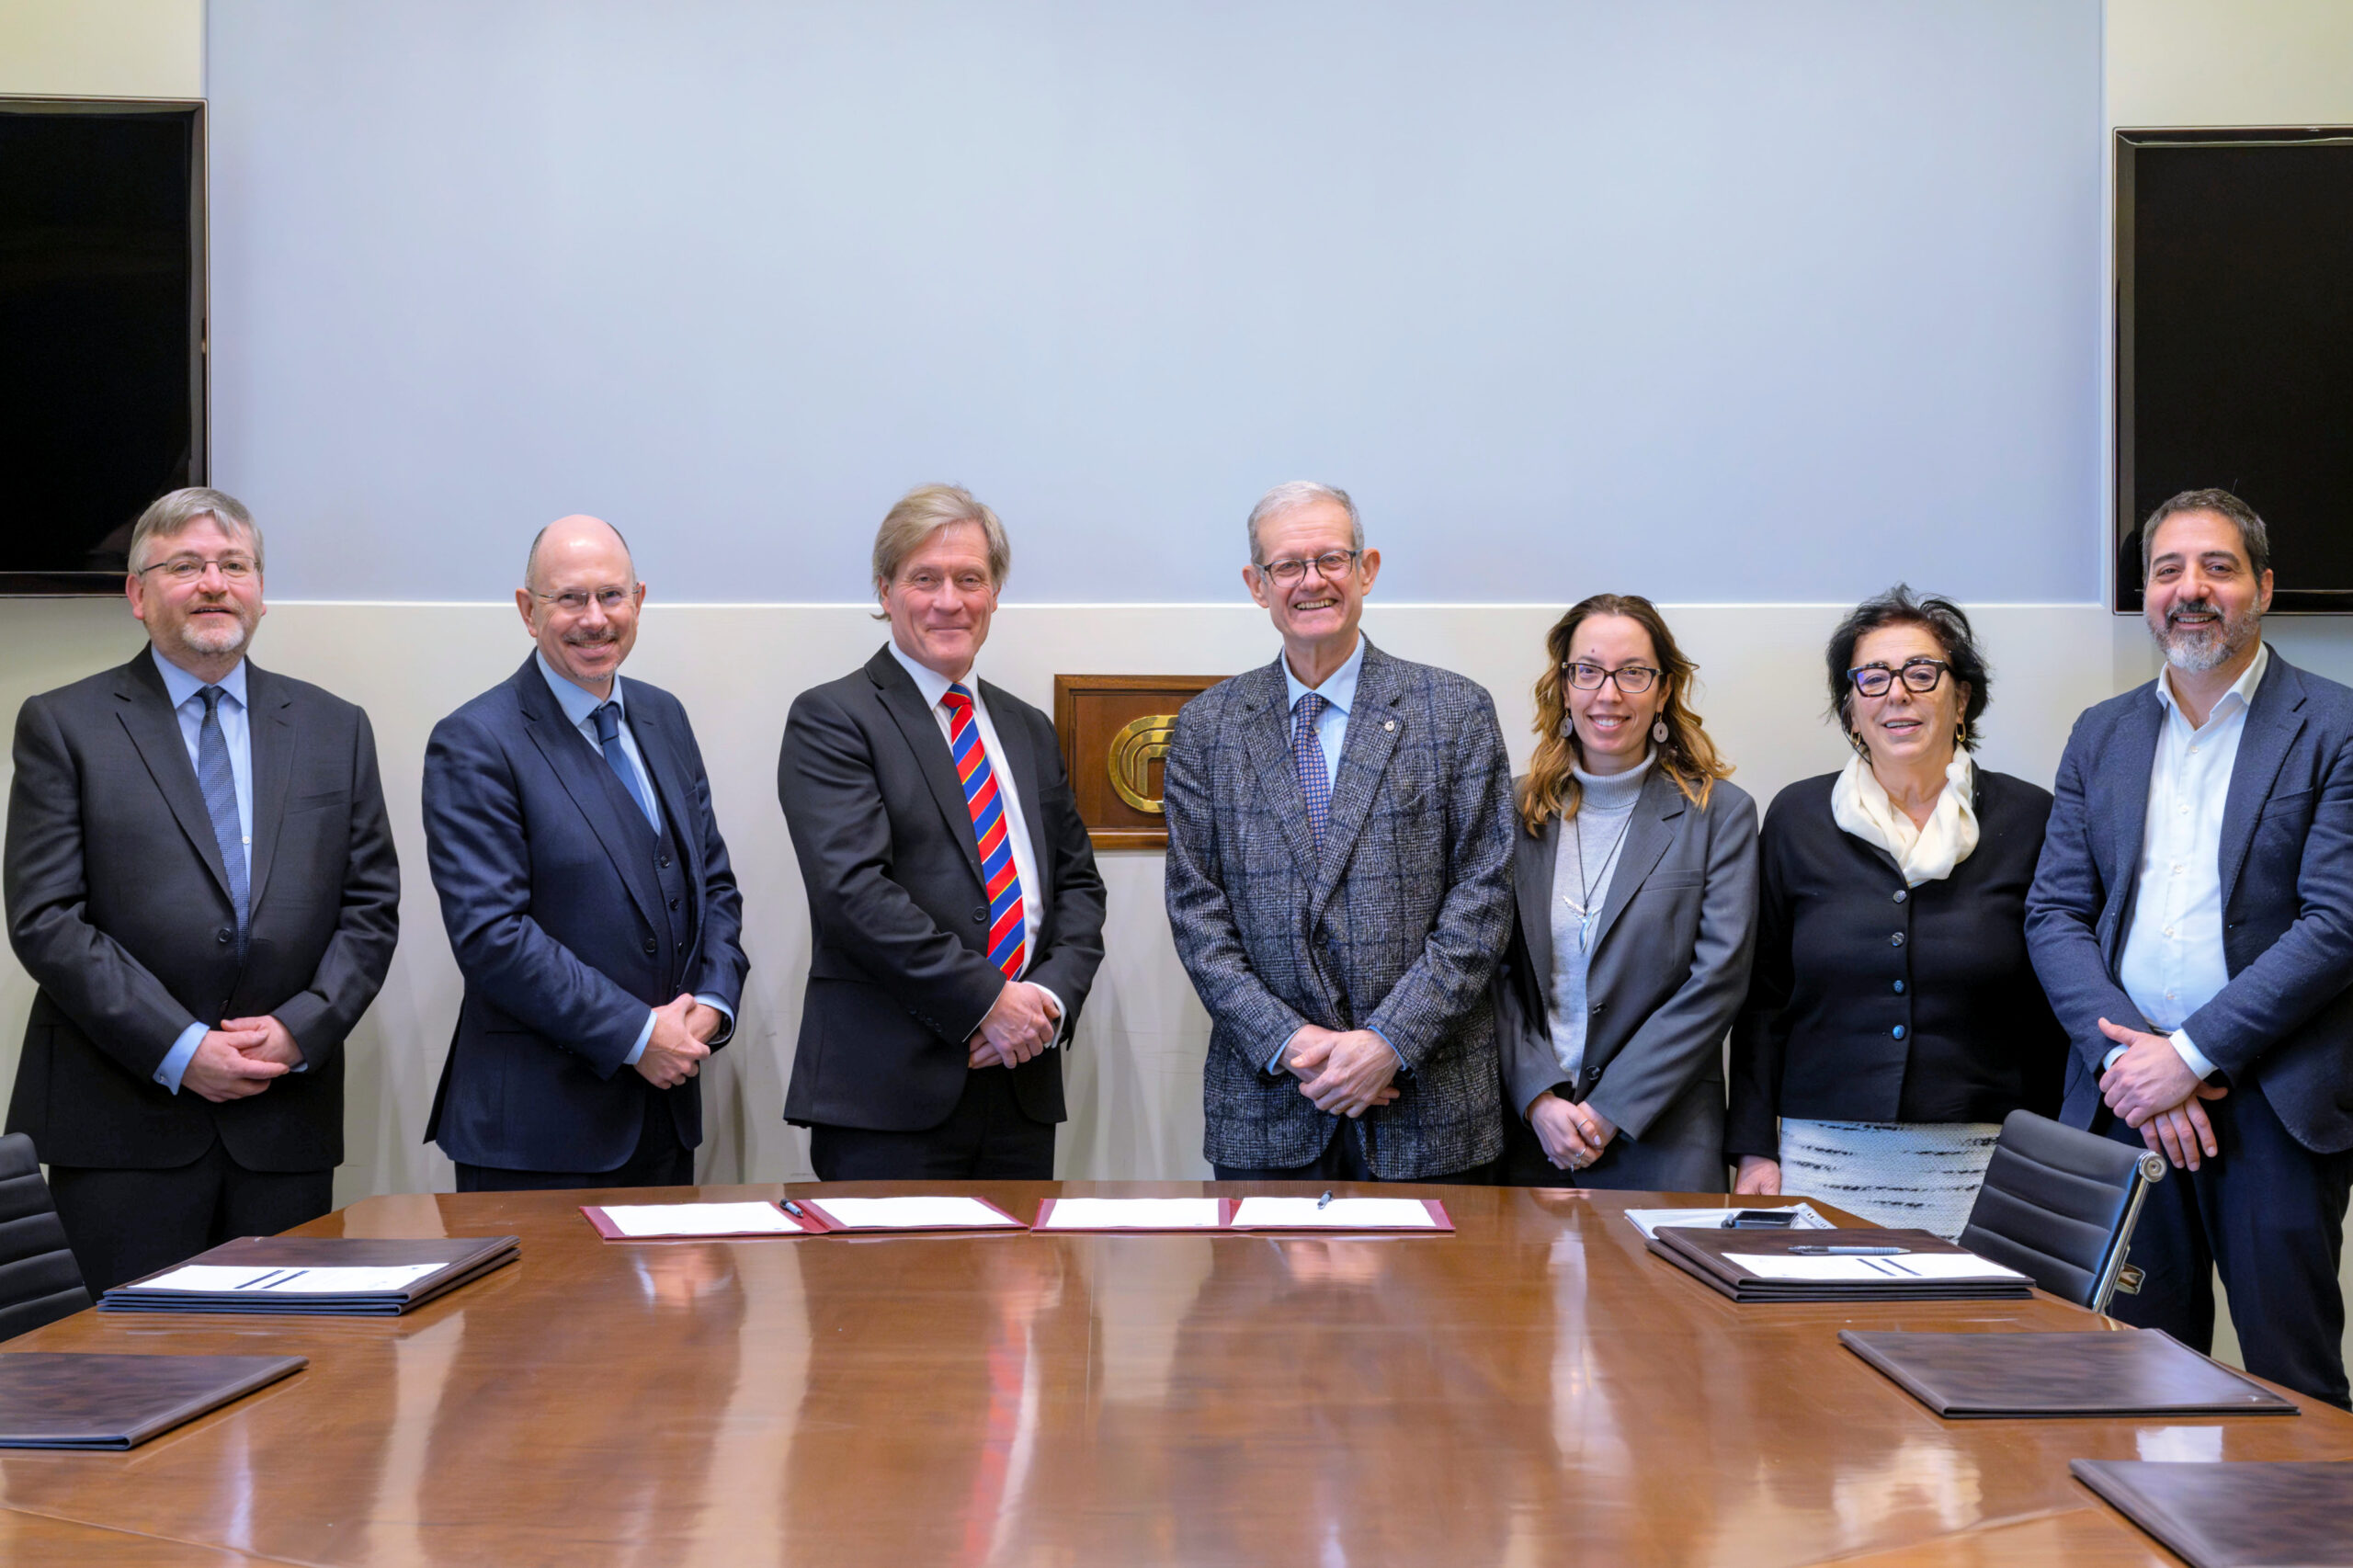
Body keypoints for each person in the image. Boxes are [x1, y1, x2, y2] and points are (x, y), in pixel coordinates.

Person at [4, 487, 399, 1289]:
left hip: (283, 1120)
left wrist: (299, 1032)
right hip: (124, 1126)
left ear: (259, 589)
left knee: (293, 1379)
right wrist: (180, 1048)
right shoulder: (64, 724)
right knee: (132, 1379)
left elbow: (371, 910)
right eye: (185, 565)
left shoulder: (334, 727)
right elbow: (46, 918)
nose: (214, 584)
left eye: (234, 565)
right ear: (137, 594)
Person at [2028, 489, 2353, 1408]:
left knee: (2293, 1389)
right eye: (2167, 569)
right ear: (2145, 596)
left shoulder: (2335, 726)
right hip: (2124, 1101)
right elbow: (2054, 913)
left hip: (2273, 1104)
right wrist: (2130, 1060)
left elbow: (2337, 921)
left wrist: (2189, 1055)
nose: (2190, 588)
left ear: (2263, 588)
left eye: (2217, 566)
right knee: (2129, 1384)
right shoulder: (2102, 732)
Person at [1163, 481, 1514, 1183]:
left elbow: (1484, 900)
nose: (1312, 581)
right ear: (1257, 585)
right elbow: (1198, 916)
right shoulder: (1208, 728)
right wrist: (1293, 1043)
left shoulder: (1455, 711)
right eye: (1288, 565)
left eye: (1331, 559)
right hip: (1270, 1106)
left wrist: (1389, 1039)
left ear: (1367, 569)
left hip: (1429, 1112)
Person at [778, 484, 1105, 1178]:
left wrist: (1042, 1005)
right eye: (924, 579)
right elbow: (853, 894)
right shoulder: (832, 718)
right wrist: (987, 1000)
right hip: (887, 1098)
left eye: (970, 580)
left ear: (994, 594)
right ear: (886, 590)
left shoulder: (1027, 728)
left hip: (1020, 1085)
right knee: (889, 1292)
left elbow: (1078, 887)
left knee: (1028, 1287)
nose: (948, 601)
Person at [422, 516, 747, 1190]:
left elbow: (714, 885)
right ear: (527, 610)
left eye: (612, 596)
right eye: (570, 598)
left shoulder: (664, 717)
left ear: (640, 601)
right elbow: (492, 936)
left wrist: (711, 1004)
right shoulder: (475, 741)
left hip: (666, 1115)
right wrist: (635, 1034)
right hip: (538, 1140)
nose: (595, 620)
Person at [1729, 585, 2063, 1237]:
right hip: (1819, 1159)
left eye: (1921, 673)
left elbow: (2052, 1009)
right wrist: (1753, 1149)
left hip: (1987, 1162)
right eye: (1873, 677)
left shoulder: (2031, 819)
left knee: (1971, 1337)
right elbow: (1762, 997)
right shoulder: (1797, 817)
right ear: (1850, 707)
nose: (1896, 693)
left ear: (1961, 696)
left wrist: (2050, 1156)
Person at [1492, 595, 1756, 1190]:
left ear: (1664, 691)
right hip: (1533, 1133)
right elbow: (1490, 974)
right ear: (1563, 686)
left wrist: (1610, 1110)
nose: (1607, 694)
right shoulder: (1511, 809)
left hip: (1664, 1135)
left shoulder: (1719, 814)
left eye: (1633, 673)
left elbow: (1715, 983)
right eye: (1587, 671)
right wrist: (1538, 1098)